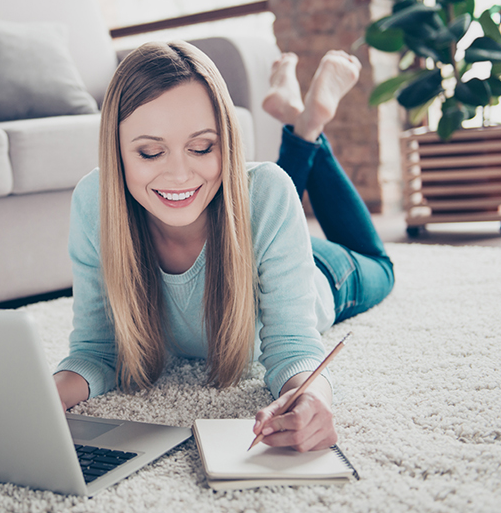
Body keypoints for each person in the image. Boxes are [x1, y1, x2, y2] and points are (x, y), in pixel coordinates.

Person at [53, 41, 394, 452]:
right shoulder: (95, 202)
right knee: (261, 195)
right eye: (149, 152)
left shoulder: (267, 194)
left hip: (327, 274)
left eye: (201, 148)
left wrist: (313, 398)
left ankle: (308, 128)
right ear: (117, 152)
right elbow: (94, 350)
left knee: (379, 263)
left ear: (225, 142)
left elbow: (293, 346)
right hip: (261, 229)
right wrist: (47, 395)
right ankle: (298, 120)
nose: (179, 174)